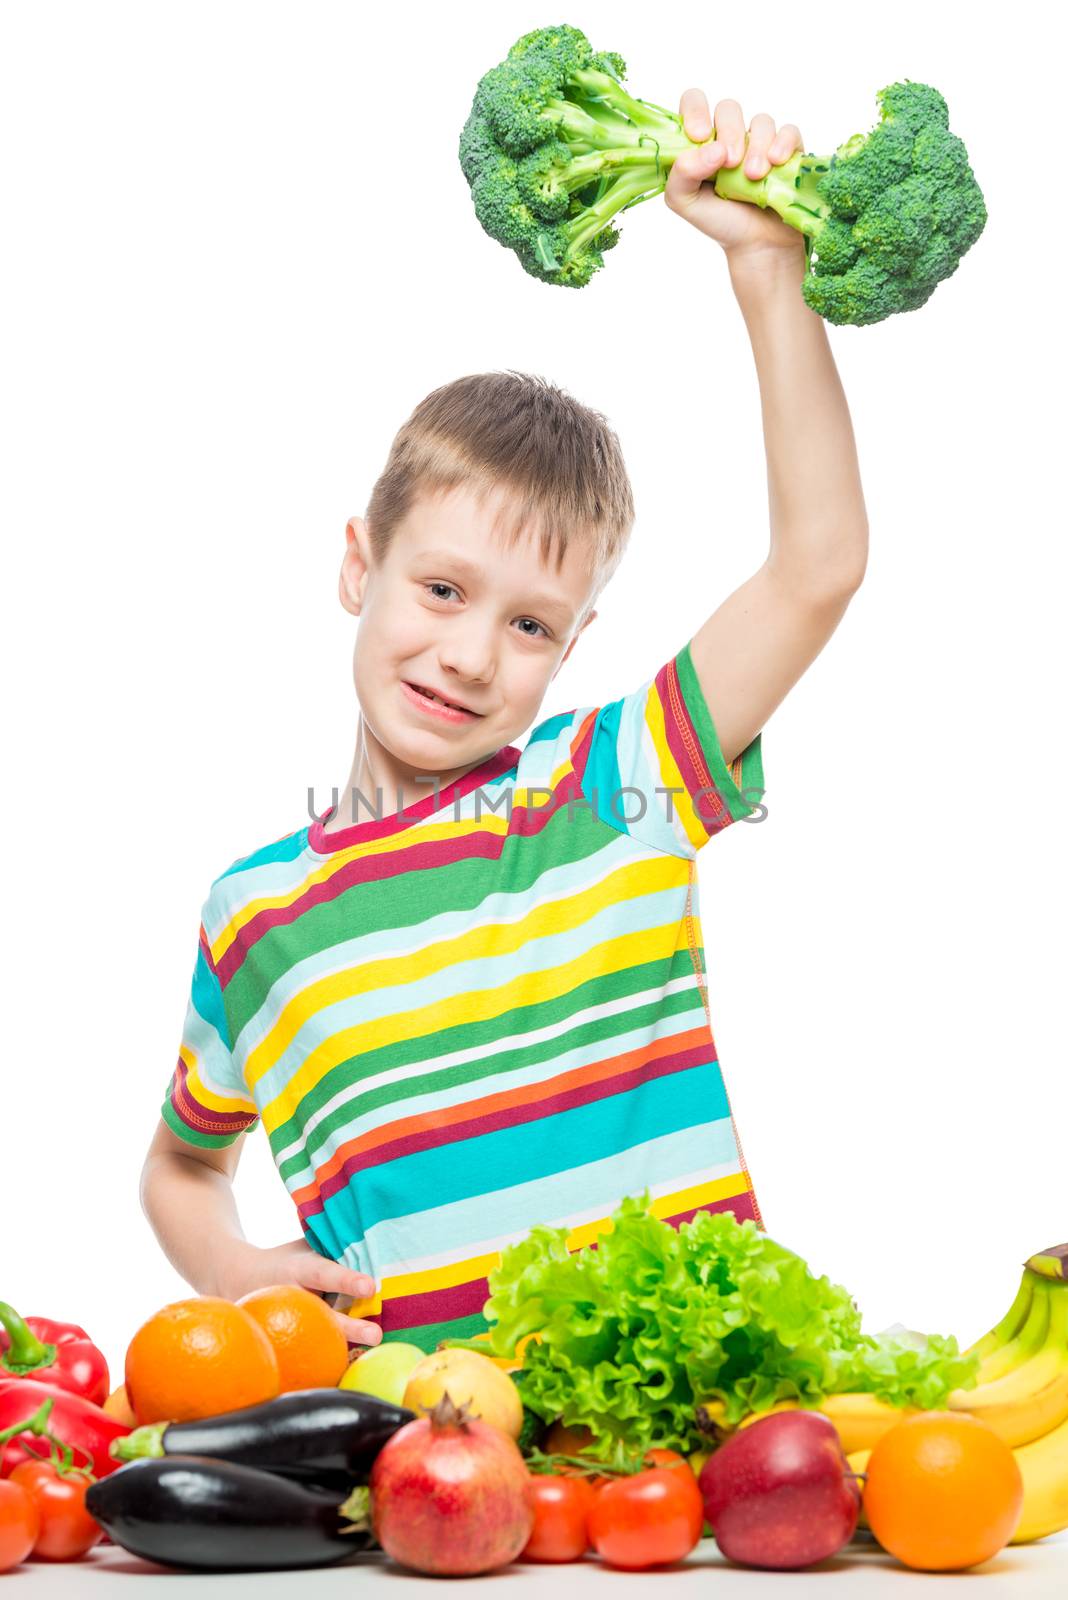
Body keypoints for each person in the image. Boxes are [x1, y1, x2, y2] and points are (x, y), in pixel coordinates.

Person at [140, 91, 868, 1354]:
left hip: (695, 1455)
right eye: (441, 589)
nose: (472, 654)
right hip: (432, 1468)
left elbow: (819, 564)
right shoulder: (251, 915)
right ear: (359, 564)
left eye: (532, 626)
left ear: (575, 646)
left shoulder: (620, 778)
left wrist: (767, 270)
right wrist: (239, 1272)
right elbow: (178, 1166)